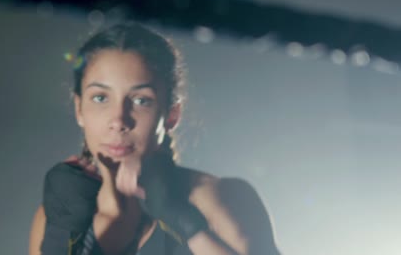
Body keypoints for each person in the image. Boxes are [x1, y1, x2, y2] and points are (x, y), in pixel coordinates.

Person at [29, 23, 281, 255]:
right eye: (100, 98)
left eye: (141, 101)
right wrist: (62, 237)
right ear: (79, 109)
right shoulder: (56, 215)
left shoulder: (218, 198)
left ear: (171, 116)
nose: (118, 120)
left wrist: (191, 229)